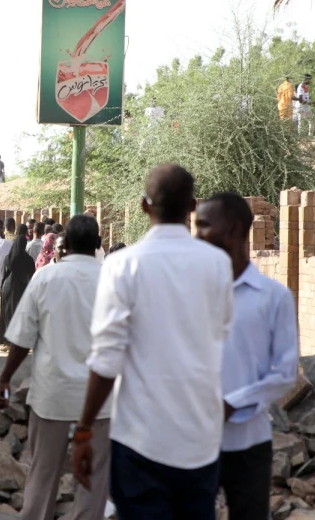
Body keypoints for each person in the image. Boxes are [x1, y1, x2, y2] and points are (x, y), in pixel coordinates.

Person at [72, 164, 233, 517]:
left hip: (140, 441)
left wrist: (83, 430)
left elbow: (107, 359)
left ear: (145, 206)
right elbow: (223, 338)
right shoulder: (218, 264)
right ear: (192, 206)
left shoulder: (123, 266)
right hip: (200, 441)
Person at [0, 214, 110, 520]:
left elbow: (22, 340)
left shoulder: (46, 278)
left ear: (64, 245)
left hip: (52, 397)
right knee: (93, 485)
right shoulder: (114, 280)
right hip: (102, 402)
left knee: (42, 478)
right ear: (98, 244)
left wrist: (5, 379)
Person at [195, 193, 298, 520]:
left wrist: (232, 402)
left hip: (250, 444)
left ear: (234, 229)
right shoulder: (190, 292)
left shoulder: (273, 297)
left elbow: (285, 372)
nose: (196, 235)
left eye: (204, 225)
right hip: (194, 441)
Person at [0, 224, 35, 344]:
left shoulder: (8, 258)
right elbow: (31, 276)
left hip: (7, 287)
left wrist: (1, 289)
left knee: (7, 313)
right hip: (21, 288)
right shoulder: (29, 259)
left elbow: (4, 275)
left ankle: (7, 341)